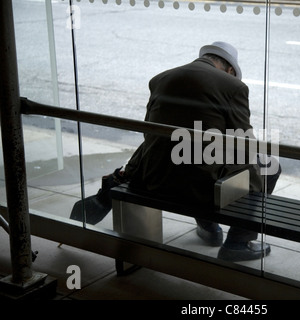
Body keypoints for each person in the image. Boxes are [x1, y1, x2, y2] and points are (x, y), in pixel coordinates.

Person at [77, 41, 281, 261]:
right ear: (230, 70)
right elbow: (244, 142)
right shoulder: (234, 87)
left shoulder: (160, 78)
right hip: (200, 189)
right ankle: (238, 242)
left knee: (192, 159)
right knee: (268, 166)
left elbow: (149, 131)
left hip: (154, 179)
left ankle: (210, 229)